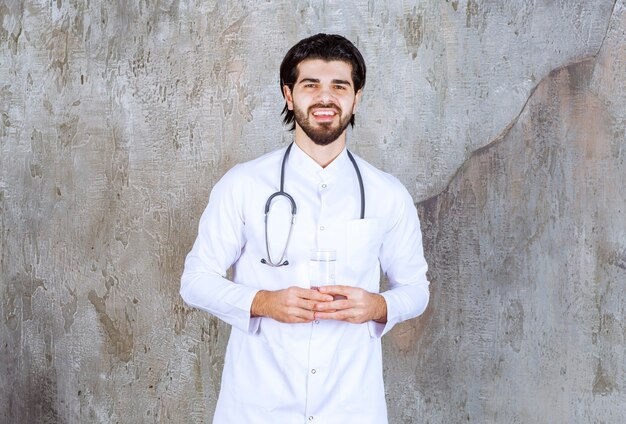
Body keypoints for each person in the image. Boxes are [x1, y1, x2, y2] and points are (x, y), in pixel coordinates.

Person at [180, 33, 430, 424]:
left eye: (339, 86)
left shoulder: (387, 194)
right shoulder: (243, 184)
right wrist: (264, 302)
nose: (325, 98)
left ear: (356, 96)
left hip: (350, 407)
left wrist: (379, 306)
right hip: (259, 405)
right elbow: (195, 280)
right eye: (310, 85)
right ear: (288, 94)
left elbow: (416, 290)